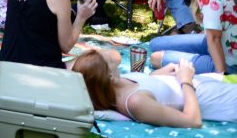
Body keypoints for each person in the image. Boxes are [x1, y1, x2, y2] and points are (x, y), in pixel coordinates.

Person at [72, 49, 237, 126]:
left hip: (205, 82)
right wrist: (186, 81)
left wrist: (161, 73)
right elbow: (192, 121)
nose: (112, 56)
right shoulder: (136, 103)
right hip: (219, 100)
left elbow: (148, 88)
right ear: (109, 77)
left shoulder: (117, 83)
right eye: (108, 59)